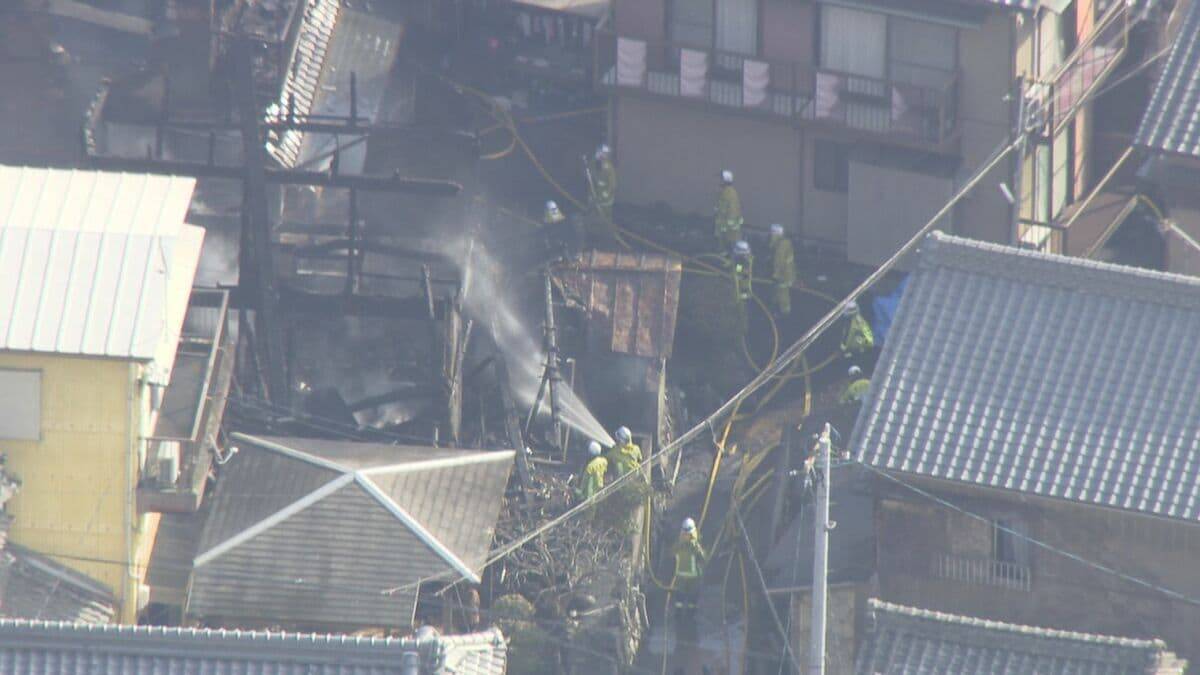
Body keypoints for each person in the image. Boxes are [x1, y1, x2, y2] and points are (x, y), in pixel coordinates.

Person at [673, 518, 706, 610]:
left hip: (693, 580)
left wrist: (697, 549)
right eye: (685, 534)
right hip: (681, 580)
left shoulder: (695, 547)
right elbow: (672, 554)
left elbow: (703, 559)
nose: (686, 537)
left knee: (692, 603)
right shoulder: (679, 546)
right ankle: (678, 619)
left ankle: (690, 620)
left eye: (688, 535)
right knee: (679, 602)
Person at [768, 224, 795, 316]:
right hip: (787, 274)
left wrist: (776, 274)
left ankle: (783, 311)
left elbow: (778, 262)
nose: (770, 235)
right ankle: (781, 309)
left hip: (783, 275)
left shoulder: (781, 247)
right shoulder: (784, 243)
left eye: (772, 233)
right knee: (781, 291)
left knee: (782, 292)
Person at [714, 170, 744, 251]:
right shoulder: (724, 192)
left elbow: (733, 212)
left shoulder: (730, 193)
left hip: (731, 235)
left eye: (720, 178)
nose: (718, 181)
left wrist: (727, 228)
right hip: (724, 233)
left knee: (734, 255)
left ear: (725, 180)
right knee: (724, 254)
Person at [588, 144, 616, 223]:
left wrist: (606, 193)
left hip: (605, 201)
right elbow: (589, 174)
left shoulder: (609, 168)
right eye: (601, 153)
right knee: (592, 216)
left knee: (604, 218)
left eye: (605, 154)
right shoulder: (593, 164)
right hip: (594, 197)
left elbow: (612, 184)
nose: (603, 155)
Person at [731, 240, 753, 305]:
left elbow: (741, 269)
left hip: (744, 286)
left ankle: (744, 296)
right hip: (742, 285)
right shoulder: (741, 261)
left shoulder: (744, 261)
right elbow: (739, 268)